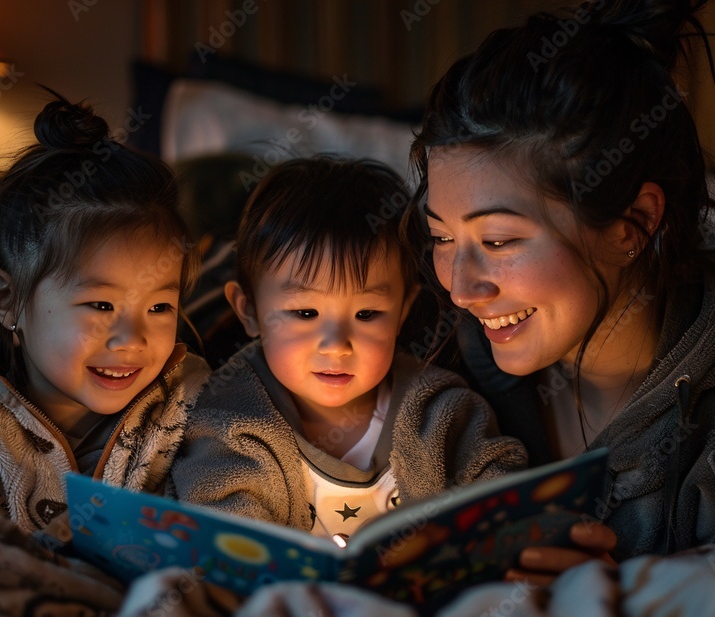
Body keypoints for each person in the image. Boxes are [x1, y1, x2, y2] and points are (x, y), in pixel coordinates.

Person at [401, 0, 715, 567]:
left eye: (498, 242)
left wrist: (623, 605)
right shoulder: (438, 371)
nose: (461, 290)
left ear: (631, 225)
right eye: (442, 239)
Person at [0, 95, 211, 534]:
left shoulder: (193, 401)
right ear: (7, 301)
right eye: (101, 305)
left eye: (158, 307)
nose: (132, 339)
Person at [172, 156, 528, 541]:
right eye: (305, 312)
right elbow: (225, 536)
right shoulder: (228, 418)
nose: (337, 346)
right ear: (250, 311)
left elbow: (504, 496)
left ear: (403, 311)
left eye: (367, 313)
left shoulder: (439, 411)